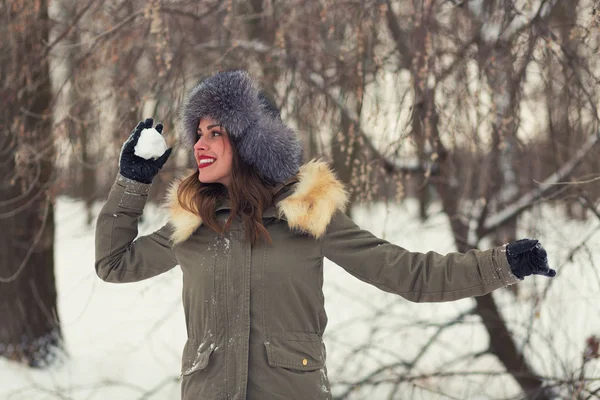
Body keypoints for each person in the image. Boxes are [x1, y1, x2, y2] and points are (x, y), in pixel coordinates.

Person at [95, 70, 556, 400]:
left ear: (253, 141)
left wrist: (504, 263)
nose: (199, 143)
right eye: (197, 132)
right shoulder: (193, 222)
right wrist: (132, 182)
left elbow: (409, 274)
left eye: (215, 131)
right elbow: (112, 265)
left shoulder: (308, 214)